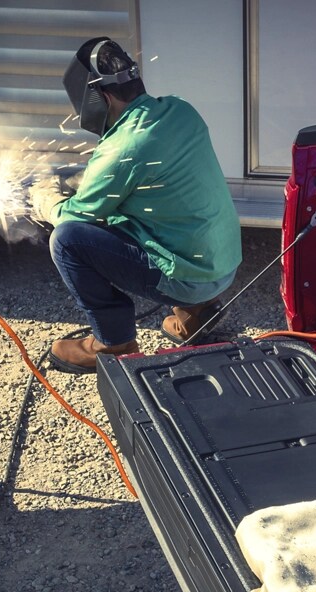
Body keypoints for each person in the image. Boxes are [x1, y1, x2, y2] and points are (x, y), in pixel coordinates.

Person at [28, 37, 242, 374]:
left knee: (67, 240)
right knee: (132, 218)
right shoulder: (180, 109)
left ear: (101, 98)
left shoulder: (122, 148)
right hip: (224, 266)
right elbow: (151, 175)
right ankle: (199, 313)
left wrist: (47, 202)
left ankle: (113, 343)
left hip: (191, 279)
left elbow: (76, 216)